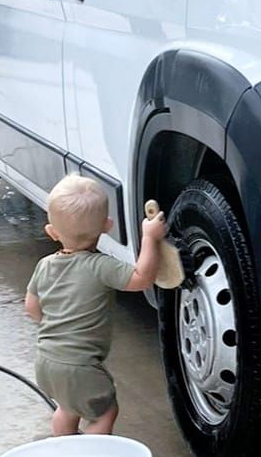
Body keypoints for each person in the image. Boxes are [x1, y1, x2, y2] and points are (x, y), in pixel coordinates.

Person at [24, 174, 168, 434]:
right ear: (107, 225)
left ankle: (64, 452)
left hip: (45, 361)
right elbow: (143, 278)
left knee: (67, 408)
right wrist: (150, 238)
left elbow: (32, 307)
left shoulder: (44, 266)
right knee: (105, 412)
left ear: (52, 232)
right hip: (80, 367)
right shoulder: (100, 267)